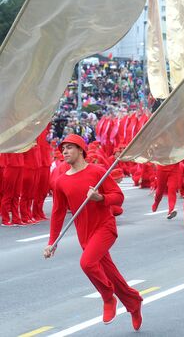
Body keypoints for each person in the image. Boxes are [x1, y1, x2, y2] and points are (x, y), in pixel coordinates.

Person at [43, 134, 143, 330]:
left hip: (105, 227)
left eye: (70, 147)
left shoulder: (97, 172)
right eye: (63, 148)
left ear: (81, 150)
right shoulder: (61, 181)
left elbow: (118, 197)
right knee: (111, 275)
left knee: (87, 263)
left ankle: (108, 298)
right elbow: (57, 213)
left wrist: (101, 198)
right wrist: (52, 242)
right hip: (85, 234)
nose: (65, 151)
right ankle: (133, 302)